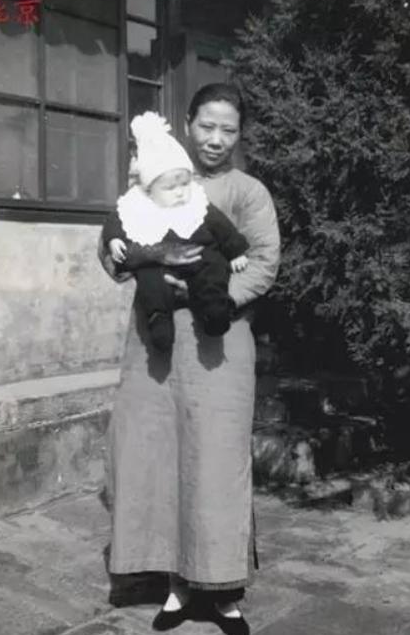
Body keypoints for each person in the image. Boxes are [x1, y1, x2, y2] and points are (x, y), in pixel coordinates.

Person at [98, 83, 280, 635]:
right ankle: (176, 585)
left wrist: (209, 296)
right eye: (207, 126)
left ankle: (223, 593)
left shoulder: (248, 192)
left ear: (240, 134)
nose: (216, 139)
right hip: (154, 345)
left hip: (219, 343)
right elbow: (117, 244)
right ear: (188, 123)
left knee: (216, 461)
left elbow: (264, 262)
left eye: (228, 129)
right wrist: (120, 254)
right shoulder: (154, 179)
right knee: (159, 456)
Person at [102, 111, 249, 352]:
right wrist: (114, 238)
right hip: (159, 263)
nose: (180, 192)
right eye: (170, 188)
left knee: (214, 269)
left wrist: (236, 251)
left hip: (199, 254)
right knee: (150, 278)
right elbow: (116, 218)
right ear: (150, 189)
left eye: (184, 183)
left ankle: (214, 311)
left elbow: (222, 226)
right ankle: (158, 320)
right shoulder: (138, 203)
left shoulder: (196, 203)